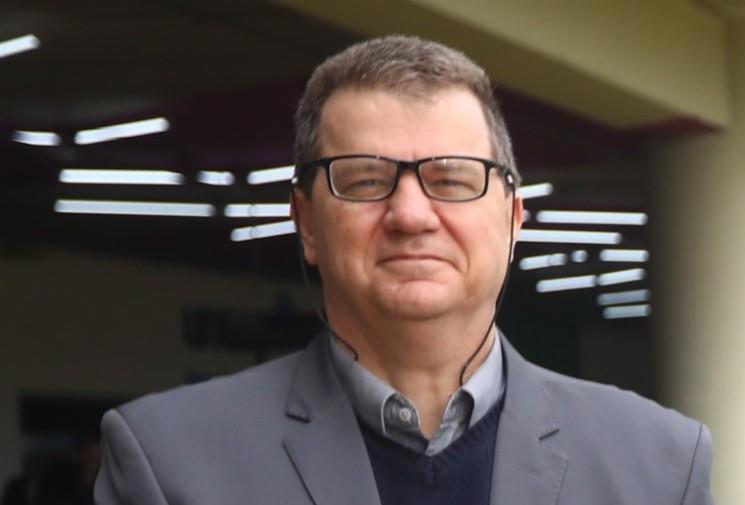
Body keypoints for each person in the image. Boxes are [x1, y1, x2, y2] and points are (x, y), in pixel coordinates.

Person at [95, 36, 713, 505]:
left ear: (513, 219)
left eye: (453, 179)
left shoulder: (661, 465)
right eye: (366, 179)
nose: (411, 214)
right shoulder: (167, 461)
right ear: (306, 223)